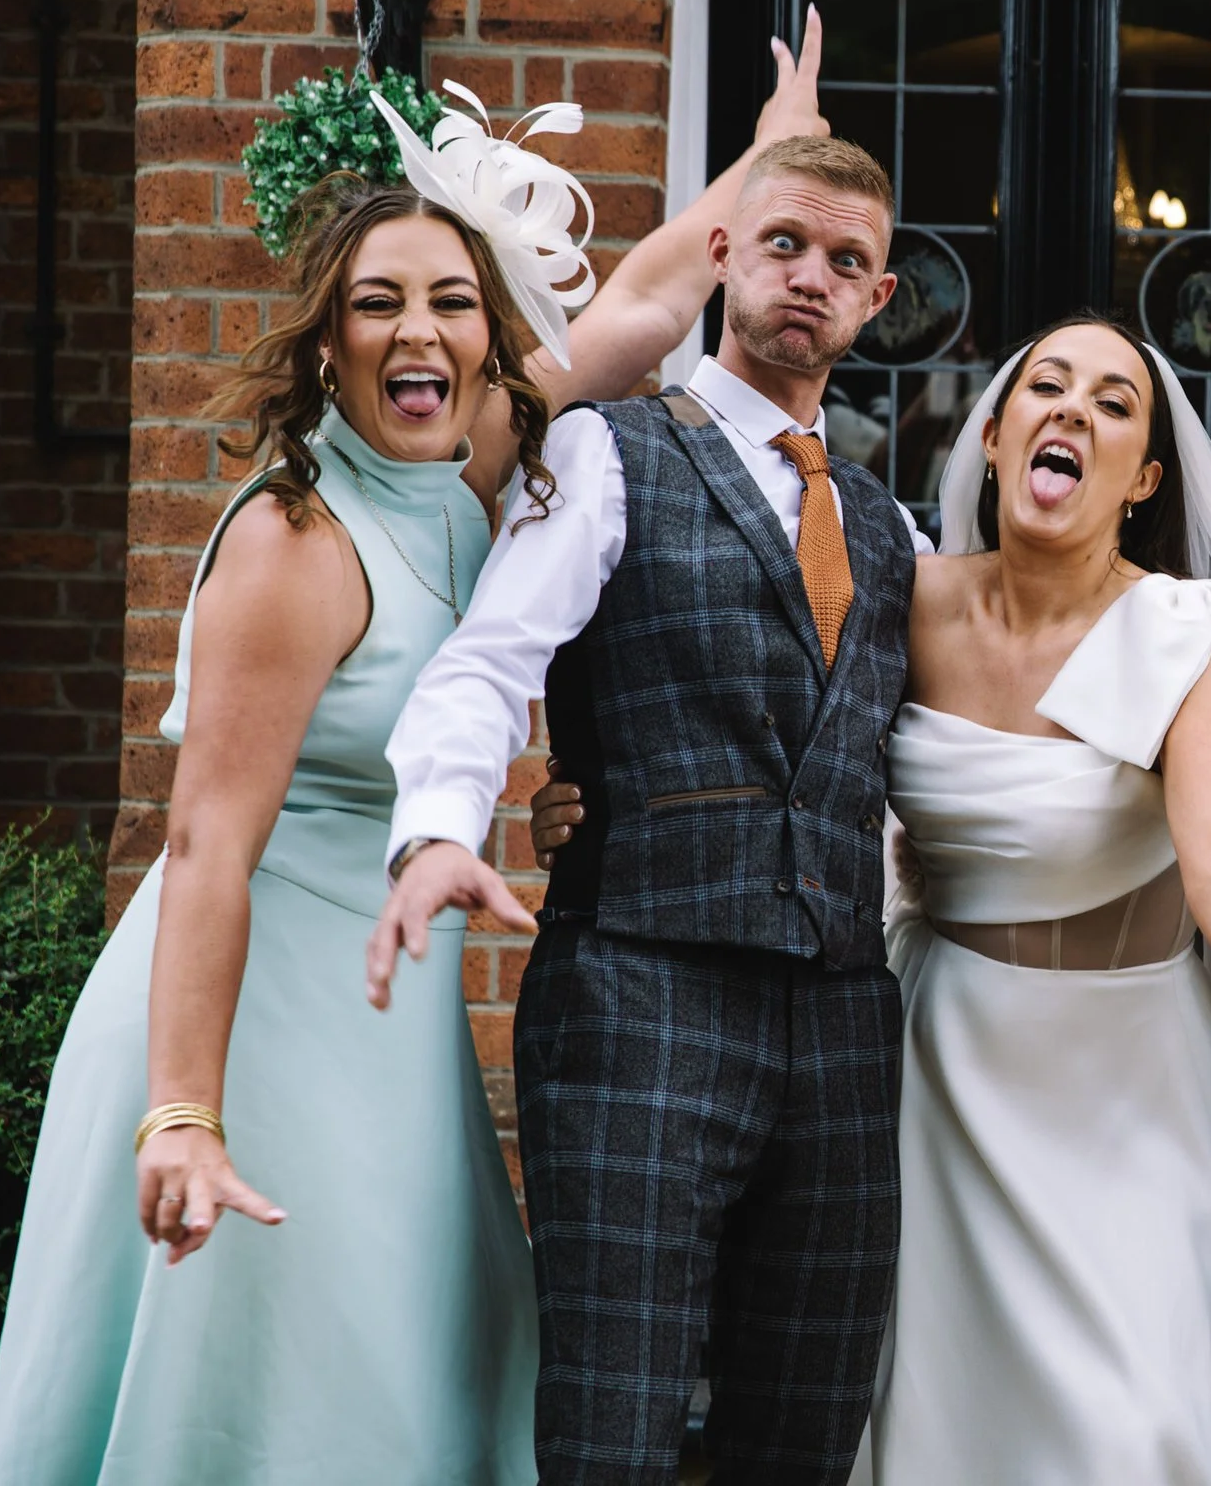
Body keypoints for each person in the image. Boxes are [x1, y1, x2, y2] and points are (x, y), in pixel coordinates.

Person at [0, 19, 838, 1486]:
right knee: (292, 1398)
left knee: (429, 1376)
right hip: (254, 1018)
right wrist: (183, 1109)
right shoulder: (295, 540)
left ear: (489, 335)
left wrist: (776, 158)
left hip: (391, 1027)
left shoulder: (472, 471)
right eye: (377, 303)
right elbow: (203, 845)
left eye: (452, 301)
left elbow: (648, 302)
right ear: (329, 339)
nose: (418, 332)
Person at [529, 316, 1211, 1484]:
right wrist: (595, 795)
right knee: (938, 1427)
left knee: (1134, 1430)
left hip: (1134, 1085)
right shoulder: (902, 598)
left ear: (1145, 478)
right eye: (1047, 385)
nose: (1072, 410)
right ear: (996, 435)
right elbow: (746, 730)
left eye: (1113, 403)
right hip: (939, 1067)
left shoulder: (1184, 632)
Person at [375, 131, 929, 1486]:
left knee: (803, 1428)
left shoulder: (895, 530)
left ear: (877, 299)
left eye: (844, 260)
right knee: (614, 1425)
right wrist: (442, 826)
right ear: (724, 252)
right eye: (784, 243)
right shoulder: (607, 452)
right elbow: (490, 660)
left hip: (845, 1022)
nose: (809, 276)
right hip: (641, 995)